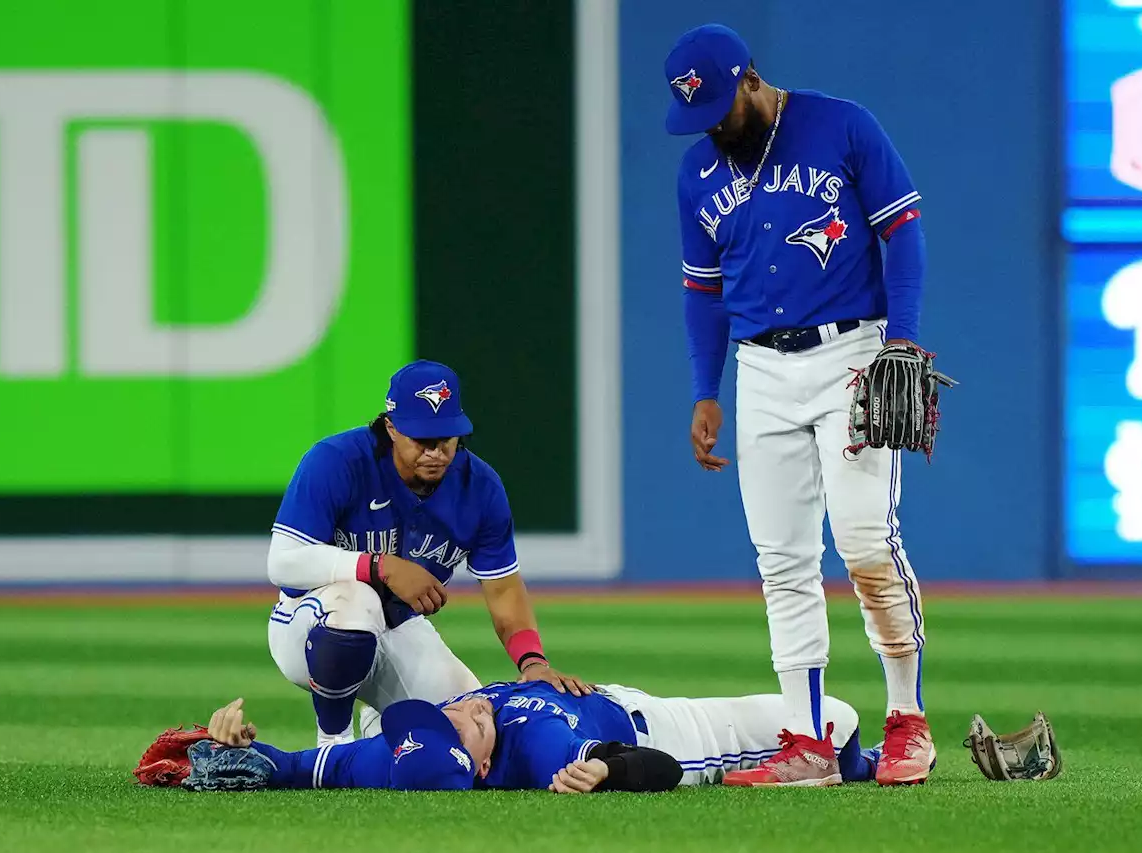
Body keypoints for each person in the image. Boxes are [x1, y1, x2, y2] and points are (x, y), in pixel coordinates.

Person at [663, 23, 936, 786]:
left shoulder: (840, 124)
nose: (713, 125)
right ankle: (806, 741)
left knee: (863, 543)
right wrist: (703, 389)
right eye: (699, 115)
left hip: (852, 352)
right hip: (760, 367)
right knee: (782, 560)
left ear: (749, 78)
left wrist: (902, 342)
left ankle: (908, 719)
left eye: (720, 105)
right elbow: (701, 289)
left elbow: (903, 233)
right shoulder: (697, 172)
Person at [266, 359, 589, 748]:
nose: (435, 452)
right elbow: (283, 561)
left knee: (474, 731)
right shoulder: (338, 461)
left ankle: (381, 724)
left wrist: (532, 661)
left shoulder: (480, 488)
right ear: (391, 428)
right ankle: (333, 741)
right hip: (310, 627)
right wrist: (380, 566)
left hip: (399, 628)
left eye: (446, 439)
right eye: (422, 439)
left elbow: (503, 589)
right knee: (356, 599)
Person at [157, 679, 879, 793]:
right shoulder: (536, 752)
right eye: (464, 727)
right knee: (831, 714)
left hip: (616, 692)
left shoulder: (402, 750)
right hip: (675, 729)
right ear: (477, 765)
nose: (464, 706)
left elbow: (293, 766)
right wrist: (608, 770)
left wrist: (233, 738)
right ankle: (870, 763)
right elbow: (655, 768)